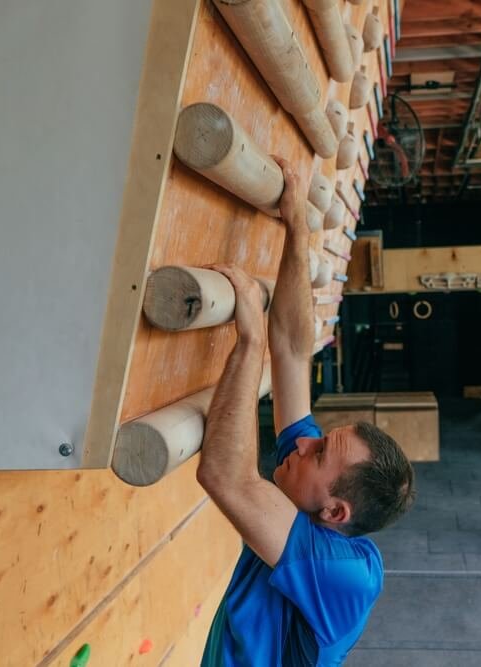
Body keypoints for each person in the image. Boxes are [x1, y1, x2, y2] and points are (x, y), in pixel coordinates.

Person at [197, 157, 416, 666]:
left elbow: (224, 476)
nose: (302, 441)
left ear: (336, 512)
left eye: (317, 452)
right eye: (320, 439)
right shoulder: (307, 497)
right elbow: (295, 352)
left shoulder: (344, 574)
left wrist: (249, 342)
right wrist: (296, 227)